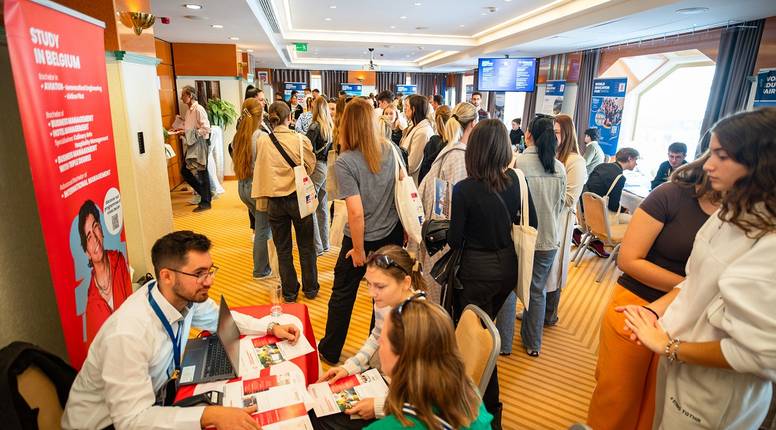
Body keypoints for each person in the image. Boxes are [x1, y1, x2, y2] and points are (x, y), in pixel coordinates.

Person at [622, 108, 776, 429]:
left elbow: (759, 354)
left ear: (758, 163)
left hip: (714, 388)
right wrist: (653, 311)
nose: (707, 164)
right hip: (680, 360)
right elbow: (695, 282)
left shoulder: (769, 243)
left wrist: (669, 347)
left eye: (722, 156)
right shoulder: (728, 212)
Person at [61, 230, 300, 430]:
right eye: (198, 274)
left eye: (210, 270)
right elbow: (131, 421)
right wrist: (209, 415)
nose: (209, 281)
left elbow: (222, 320)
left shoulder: (181, 296)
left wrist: (270, 326)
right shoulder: (128, 335)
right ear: (166, 276)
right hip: (106, 424)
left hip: (157, 397)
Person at [587, 154, 720, 430]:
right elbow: (628, 260)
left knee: (657, 406)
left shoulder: (740, 216)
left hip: (687, 317)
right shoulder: (671, 195)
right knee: (617, 401)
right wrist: (694, 287)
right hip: (637, 303)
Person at [448, 119, 538, 428]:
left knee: (478, 342)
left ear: (474, 150)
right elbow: (531, 222)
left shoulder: (464, 190)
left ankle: (487, 414)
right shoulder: (516, 181)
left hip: (476, 272)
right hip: (508, 268)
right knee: (486, 335)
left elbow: (455, 239)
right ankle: (486, 410)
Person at [318, 98, 403, 364]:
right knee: (383, 297)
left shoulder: (346, 161)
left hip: (361, 238)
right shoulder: (391, 149)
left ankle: (330, 350)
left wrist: (358, 249)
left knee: (343, 293)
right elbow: (402, 190)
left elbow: (355, 212)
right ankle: (375, 353)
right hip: (391, 235)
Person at [314, 246, 427, 429]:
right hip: (384, 384)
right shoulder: (385, 301)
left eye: (380, 286)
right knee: (319, 406)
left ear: (406, 283)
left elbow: (423, 395)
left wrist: (378, 407)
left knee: (323, 420)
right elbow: (376, 336)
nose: (371, 293)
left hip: (403, 402)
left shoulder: (419, 323)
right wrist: (350, 367)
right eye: (368, 283)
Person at [365, 299, 493, 430]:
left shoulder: (389, 427)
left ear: (402, 356)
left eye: (383, 340)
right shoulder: (469, 392)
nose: (379, 342)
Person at [252, 101, 319, 302]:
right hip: (299, 198)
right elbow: (311, 167)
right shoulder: (300, 139)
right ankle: (311, 288)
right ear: (289, 118)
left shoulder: (263, 141)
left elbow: (261, 168)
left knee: (283, 249)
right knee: (306, 246)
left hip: (275, 201)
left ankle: (290, 292)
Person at [513, 115, 566, 358]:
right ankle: (533, 344)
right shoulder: (560, 167)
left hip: (523, 237)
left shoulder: (519, 163)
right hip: (549, 238)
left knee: (512, 286)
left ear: (529, 135)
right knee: (538, 290)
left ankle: (504, 342)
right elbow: (560, 205)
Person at [417, 102, 477, 303]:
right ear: (473, 124)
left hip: (437, 234)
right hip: (447, 238)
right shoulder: (459, 158)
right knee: (442, 301)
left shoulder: (448, 151)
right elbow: (454, 205)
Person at [542, 114, 587, 328]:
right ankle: (537, 309)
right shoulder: (551, 155)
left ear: (567, 134)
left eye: (557, 132)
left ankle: (549, 314)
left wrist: (545, 192)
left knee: (555, 268)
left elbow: (570, 198)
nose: (554, 136)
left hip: (561, 220)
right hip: (547, 216)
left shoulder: (575, 161)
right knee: (542, 267)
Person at [78, 200, 133, 345]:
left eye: (95, 227)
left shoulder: (120, 261)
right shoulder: (91, 304)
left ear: (101, 230)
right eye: (89, 237)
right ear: (87, 252)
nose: (95, 239)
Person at [232, 98, 272, 279]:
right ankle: (261, 269)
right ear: (260, 116)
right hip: (257, 189)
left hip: (243, 188)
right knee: (263, 229)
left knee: (260, 226)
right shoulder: (261, 137)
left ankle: (265, 264)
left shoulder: (238, 136)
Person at [176, 85, 212, 212]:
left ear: (190, 95)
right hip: (193, 143)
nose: (181, 98)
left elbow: (206, 128)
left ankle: (206, 201)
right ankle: (205, 195)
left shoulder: (198, 109)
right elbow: (190, 127)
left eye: (183, 95)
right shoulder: (188, 111)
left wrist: (191, 134)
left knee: (202, 172)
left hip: (200, 143)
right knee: (186, 171)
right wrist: (183, 132)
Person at [306, 96, 335, 256]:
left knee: (310, 206)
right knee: (322, 207)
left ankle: (316, 247)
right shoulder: (329, 125)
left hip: (316, 167)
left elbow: (307, 148)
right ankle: (325, 244)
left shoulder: (314, 126)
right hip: (326, 166)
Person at [584, 147, 639, 223]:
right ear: (629, 158)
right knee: (634, 220)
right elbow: (613, 206)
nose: (636, 163)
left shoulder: (601, 166)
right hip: (598, 217)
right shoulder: (620, 177)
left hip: (585, 208)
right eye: (636, 159)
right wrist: (624, 209)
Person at [399, 94, 434, 184]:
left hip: (413, 182)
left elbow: (412, 165)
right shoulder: (414, 126)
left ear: (414, 109)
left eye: (406, 106)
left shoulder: (423, 132)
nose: (404, 109)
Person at [417, 105, 451, 184]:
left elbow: (424, 170)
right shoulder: (454, 144)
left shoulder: (433, 141)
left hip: (430, 184)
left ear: (436, 121)